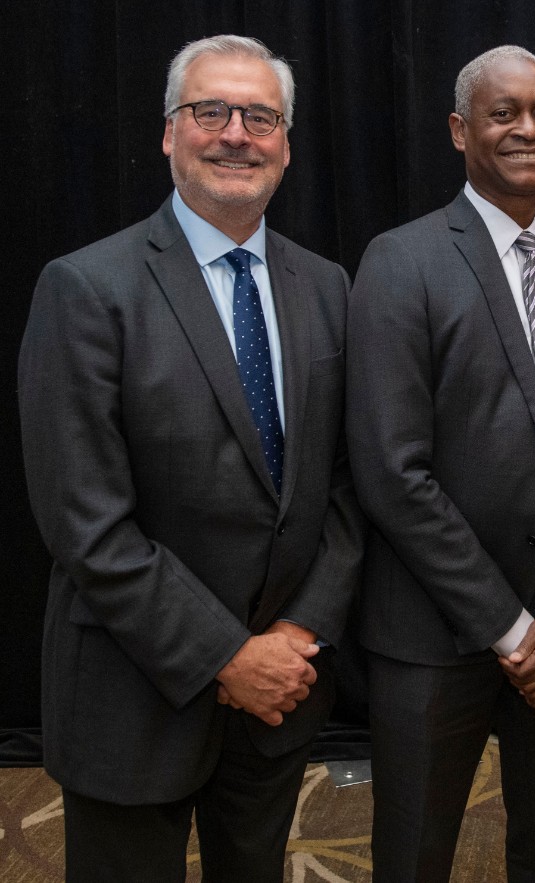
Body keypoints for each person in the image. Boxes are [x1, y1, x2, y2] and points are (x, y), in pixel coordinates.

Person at [18, 35, 362, 883]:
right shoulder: (86, 288)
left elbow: (353, 488)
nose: (236, 133)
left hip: (282, 688)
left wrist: (294, 635)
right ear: (170, 133)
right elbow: (84, 522)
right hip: (134, 690)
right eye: (211, 111)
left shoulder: (329, 286)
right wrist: (226, 657)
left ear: (286, 142)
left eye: (260, 116)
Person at [346, 45, 535, 883]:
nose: (527, 129)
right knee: (415, 855)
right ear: (458, 129)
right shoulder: (400, 260)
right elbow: (390, 471)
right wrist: (514, 631)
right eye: (503, 112)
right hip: (434, 631)